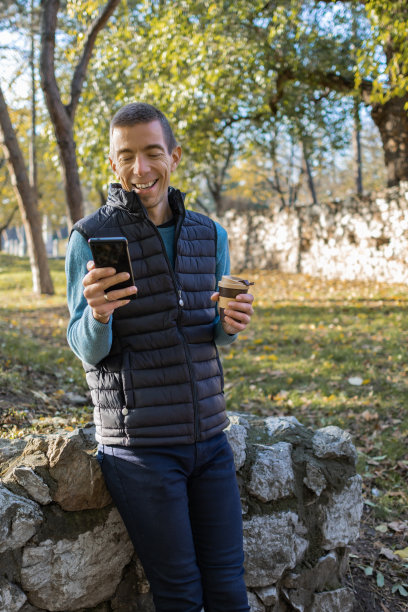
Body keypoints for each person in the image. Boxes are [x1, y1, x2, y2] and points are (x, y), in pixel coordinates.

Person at [65, 102, 254, 612]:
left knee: (230, 591)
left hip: (209, 440)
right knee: (181, 596)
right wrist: (98, 316)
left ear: (172, 155)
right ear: (112, 164)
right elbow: (84, 347)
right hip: (140, 447)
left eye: (152, 153)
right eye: (126, 157)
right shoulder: (90, 237)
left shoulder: (209, 234)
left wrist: (228, 325)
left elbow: (209, 331)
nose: (140, 169)